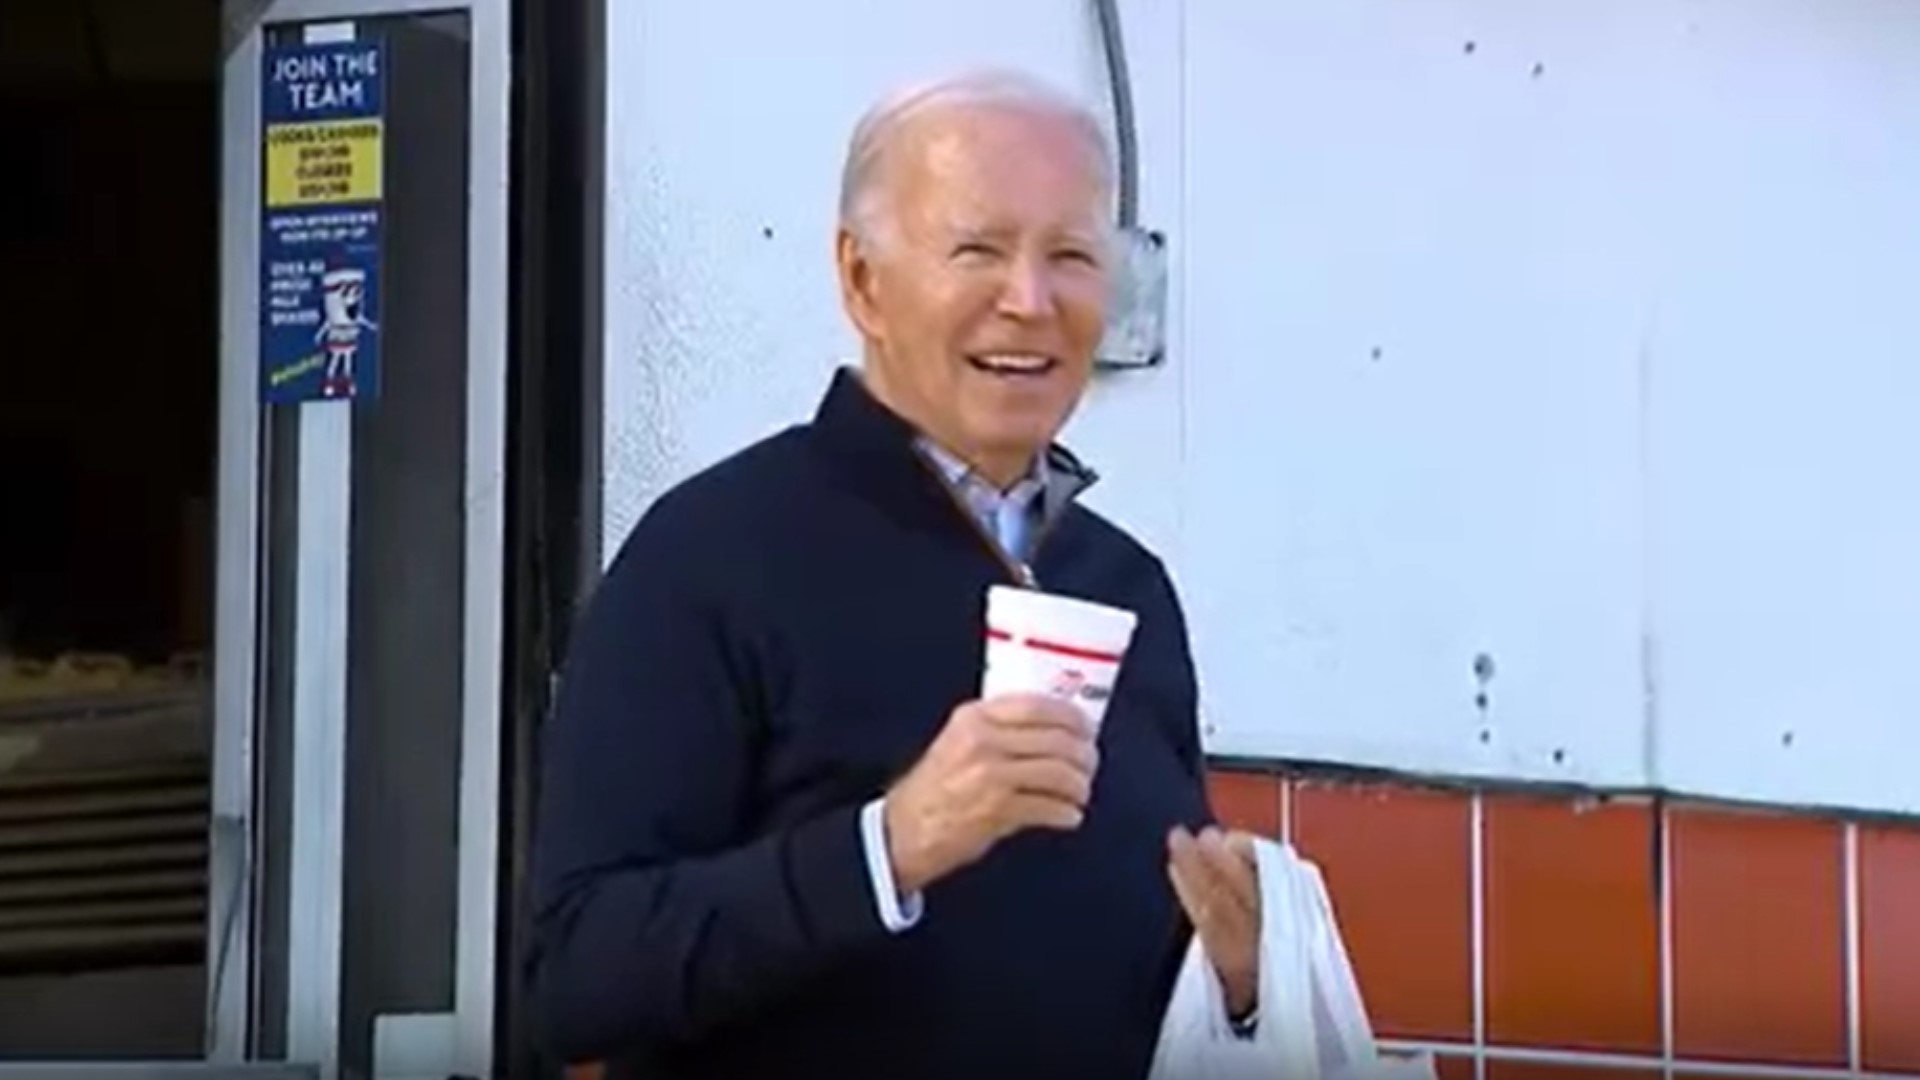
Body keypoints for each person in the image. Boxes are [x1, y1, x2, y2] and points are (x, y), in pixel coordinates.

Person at [525, 69, 1262, 1079]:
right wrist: (888, 849)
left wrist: (1236, 983)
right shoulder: (710, 556)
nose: (1030, 302)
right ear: (862, 281)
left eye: (1073, 256)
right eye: (978, 250)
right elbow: (575, 977)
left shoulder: (1126, 586)